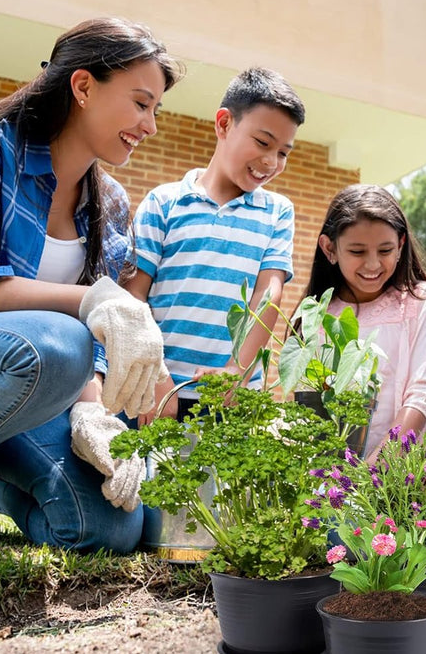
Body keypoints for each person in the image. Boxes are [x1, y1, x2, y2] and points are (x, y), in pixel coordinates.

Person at [0, 17, 182, 552]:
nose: (151, 125)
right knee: (60, 342)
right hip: (16, 364)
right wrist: (94, 297)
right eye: (141, 103)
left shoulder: (112, 204)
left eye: (156, 110)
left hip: (33, 387)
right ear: (82, 86)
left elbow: (91, 340)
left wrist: (91, 411)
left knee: (115, 527)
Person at [123, 67, 305, 422]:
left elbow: (269, 296)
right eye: (263, 142)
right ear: (224, 124)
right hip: (154, 393)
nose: (271, 162)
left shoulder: (277, 212)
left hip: (231, 400)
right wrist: (154, 375)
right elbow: (132, 298)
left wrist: (236, 371)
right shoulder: (164, 202)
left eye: (284, 152)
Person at [305, 184, 426, 461]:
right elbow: (310, 401)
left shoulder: (416, 302)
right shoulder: (319, 313)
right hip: (335, 478)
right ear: (329, 248)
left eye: (385, 250)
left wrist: (379, 465)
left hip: (404, 473)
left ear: (401, 245)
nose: (372, 264)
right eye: (357, 252)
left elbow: (423, 391)